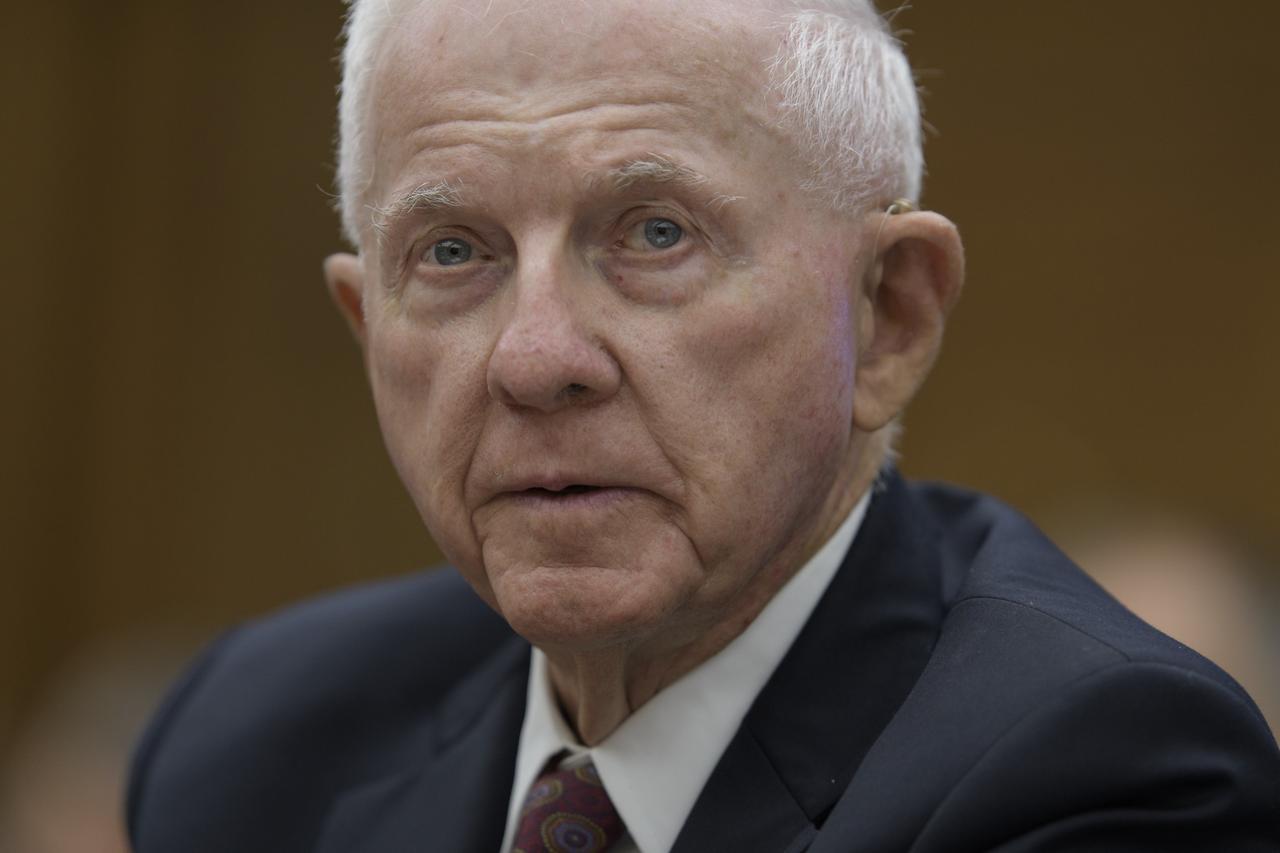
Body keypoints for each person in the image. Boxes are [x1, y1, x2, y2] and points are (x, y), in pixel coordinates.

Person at [125, 1, 1280, 851]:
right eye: (452, 252)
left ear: (886, 316)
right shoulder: (252, 743)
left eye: (654, 234)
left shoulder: (1095, 771)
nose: (534, 358)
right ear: (365, 324)